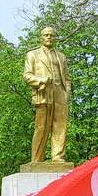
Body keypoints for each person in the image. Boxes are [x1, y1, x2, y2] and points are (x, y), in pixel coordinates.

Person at [23, 26, 71, 163]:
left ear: (55, 38)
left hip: (60, 93)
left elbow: (67, 78)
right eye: (46, 35)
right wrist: (40, 80)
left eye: (52, 35)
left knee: (60, 126)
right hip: (43, 92)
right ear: (41, 37)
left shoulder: (61, 56)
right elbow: (27, 76)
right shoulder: (33, 54)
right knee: (42, 126)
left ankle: (58, 157)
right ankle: (37, 159)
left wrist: (67, 92)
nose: (49, 37)